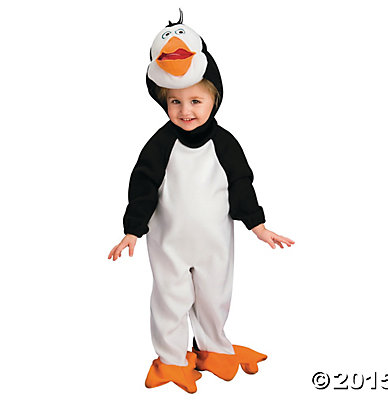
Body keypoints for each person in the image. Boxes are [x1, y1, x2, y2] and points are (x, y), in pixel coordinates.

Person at [108, 10, 294, 393]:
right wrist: (132, 231)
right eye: (175, 102)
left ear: (214, 97)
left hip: (214, 244)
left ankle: (214, 349)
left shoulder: (225, 144)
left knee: (214, 296)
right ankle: (172, 360)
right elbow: (142, 187)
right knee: (170, 300)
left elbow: (241, 184)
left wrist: (257, 225)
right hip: (169, 244)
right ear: (164, 102)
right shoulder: (159, 146)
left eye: (195, 100)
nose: (186, 111)